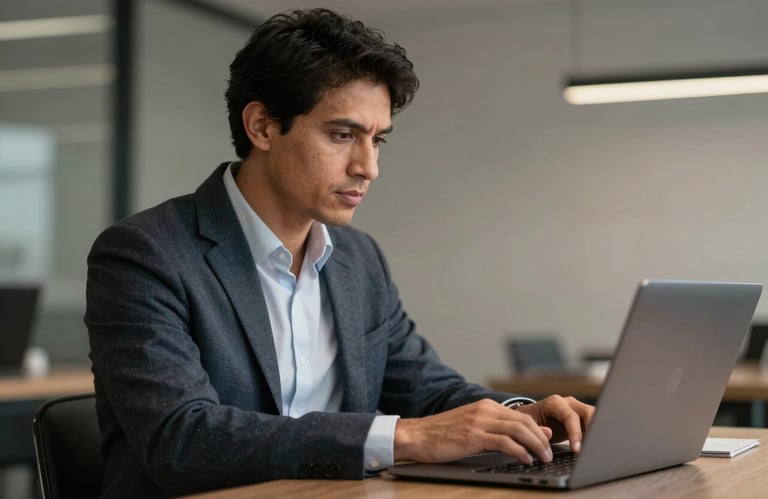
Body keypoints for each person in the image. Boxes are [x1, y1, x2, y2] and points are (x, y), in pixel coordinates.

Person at [85, 8, 594, 498]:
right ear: (262, 126)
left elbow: (427, 389)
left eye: (378, 141)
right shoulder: (145, 255)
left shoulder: (358, 259)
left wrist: (523, 415)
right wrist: (404, 438)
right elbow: (183, 439)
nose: (367, 167)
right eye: (343, 135)